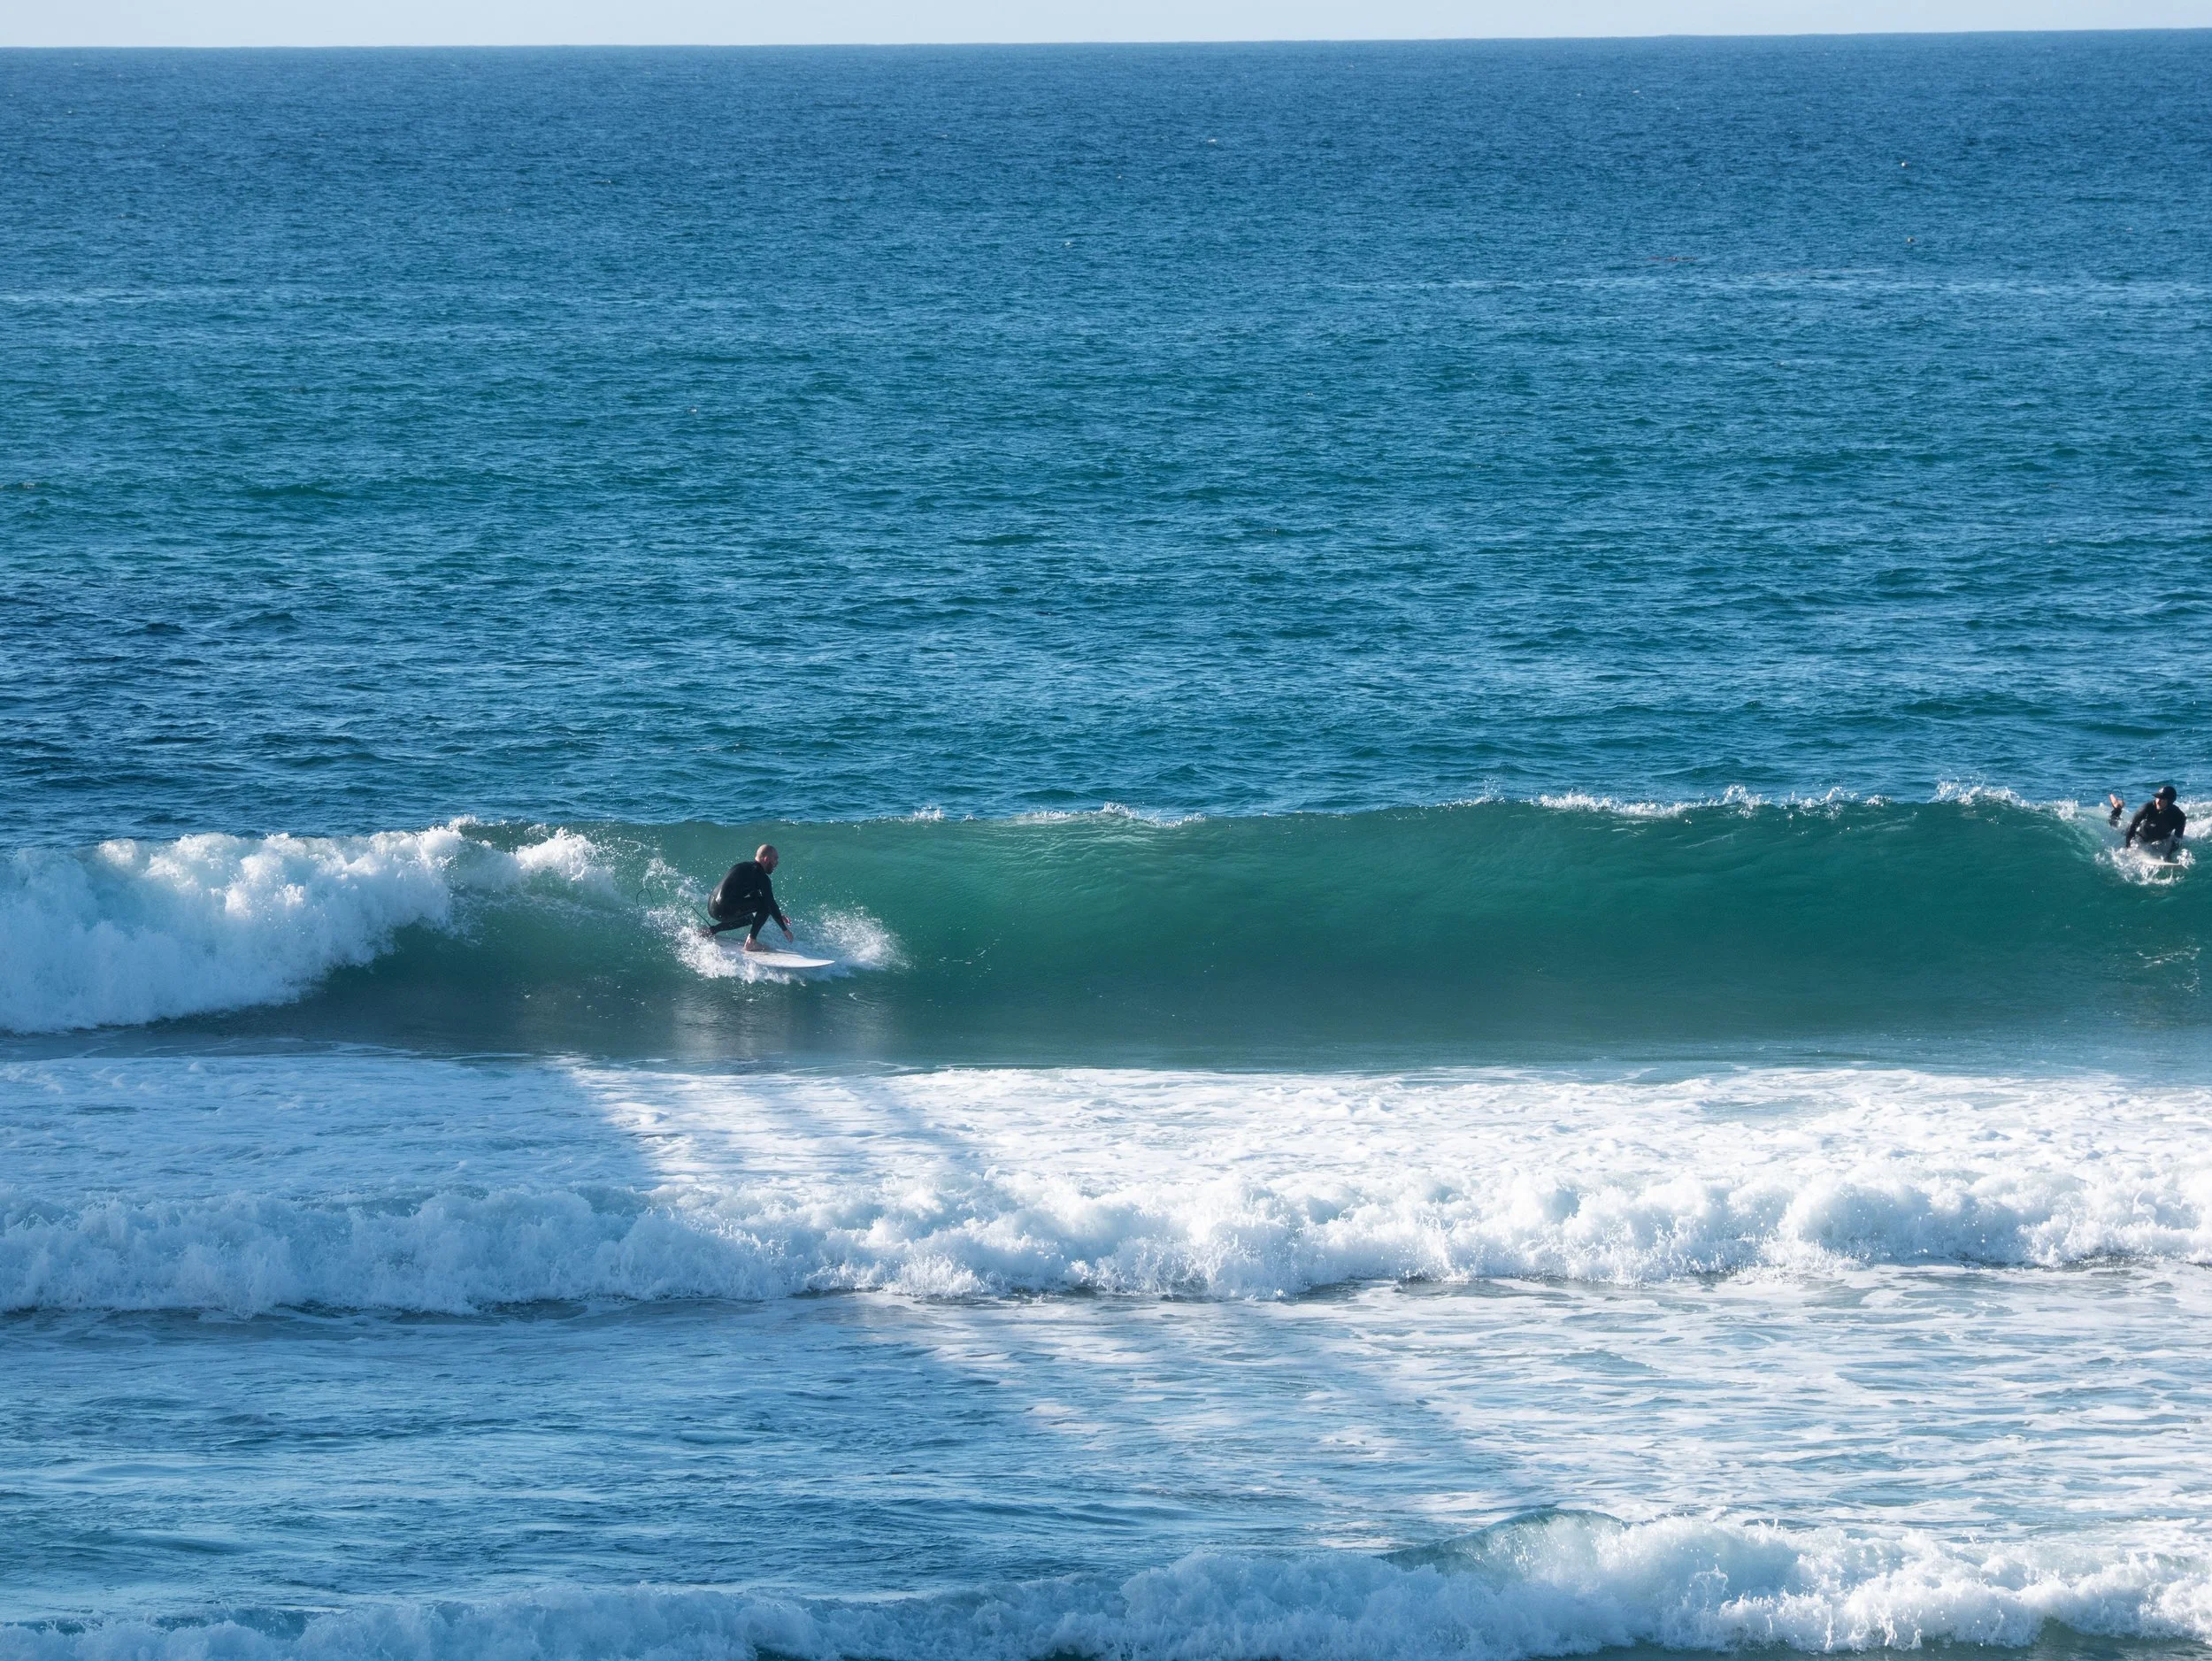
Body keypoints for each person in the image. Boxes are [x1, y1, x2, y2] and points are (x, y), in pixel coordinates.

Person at [698, 843, 795, 951]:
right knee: (765, 905)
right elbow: (769, 903)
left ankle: (711, 930)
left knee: (750, 918)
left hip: (713, 907)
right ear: (767, 859)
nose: (777, 863)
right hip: (724, 910)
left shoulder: (743, 867)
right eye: (775, 859)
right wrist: (784, 929)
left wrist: (777, 914)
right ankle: (751, 942)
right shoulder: (762, 877)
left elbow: (755, 896)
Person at [2108, 786, 2186, 851]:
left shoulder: (2179, 817)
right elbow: (2132, 827)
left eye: (2162, 799)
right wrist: (2128, 847)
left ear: (2170, 801)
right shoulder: (2146, 808)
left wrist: (2169, 855)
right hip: (2139, 836)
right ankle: (2117, 808)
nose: (2158, 801)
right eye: (2157, 797)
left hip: (2160, 839)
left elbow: (2177, 839)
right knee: (2115, 826)